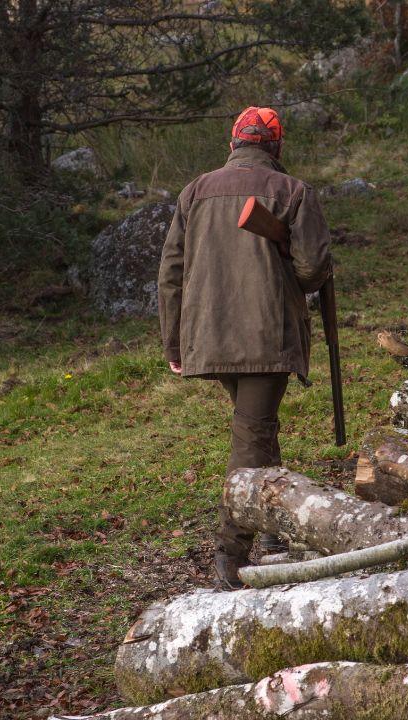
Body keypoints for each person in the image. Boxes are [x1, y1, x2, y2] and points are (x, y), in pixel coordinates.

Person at [157, 107, 333, 589]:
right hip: (264, 335)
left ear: (232, 143)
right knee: (251, 440)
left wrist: (175, 342)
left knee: (256, 428)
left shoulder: (195, 190)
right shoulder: (294, 191)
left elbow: (171, 271)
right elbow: (312, 270)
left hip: (208, 336)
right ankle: (229, 556)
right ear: (275, 146)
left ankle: (271, 529)